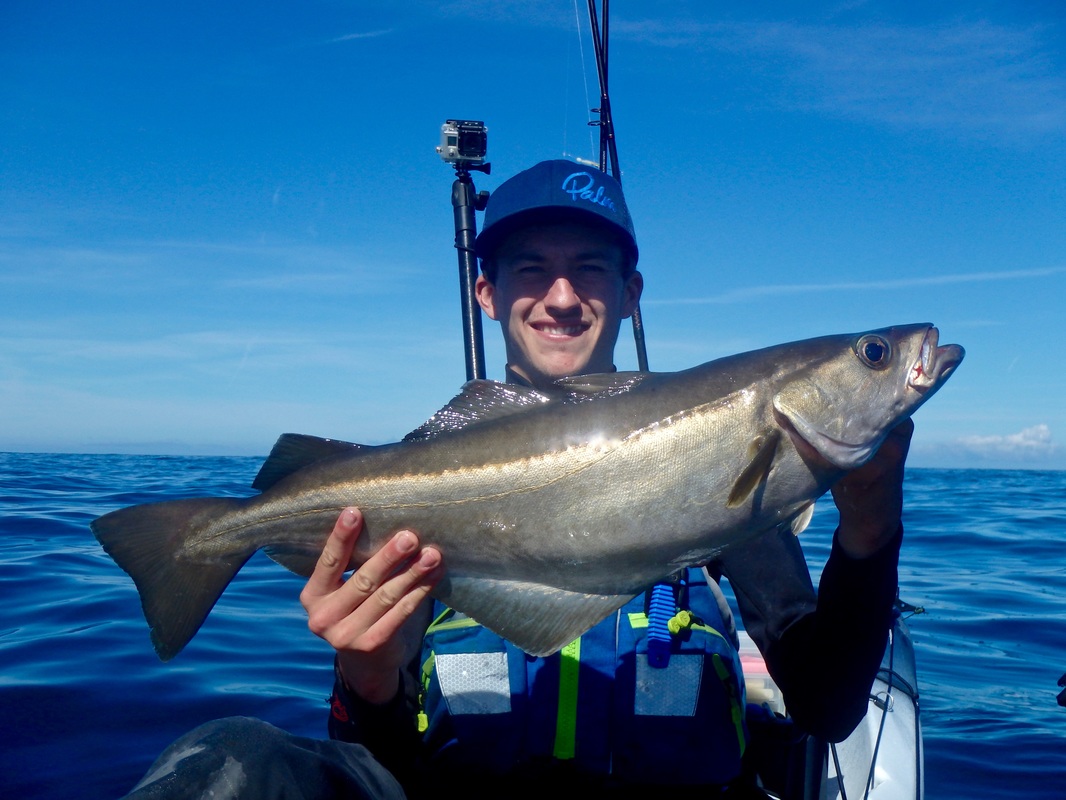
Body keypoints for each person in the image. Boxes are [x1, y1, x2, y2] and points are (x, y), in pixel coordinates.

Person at [124, 160, 910, 799]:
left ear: (631, 294)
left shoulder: (724, 487)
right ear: (487, 293)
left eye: (590, 270)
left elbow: (828, 707)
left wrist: (870, 535)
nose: (561, 298)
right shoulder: (407, 496)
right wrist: (367, 678)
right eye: (532, 271)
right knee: (234, 758)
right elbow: (381, 761)